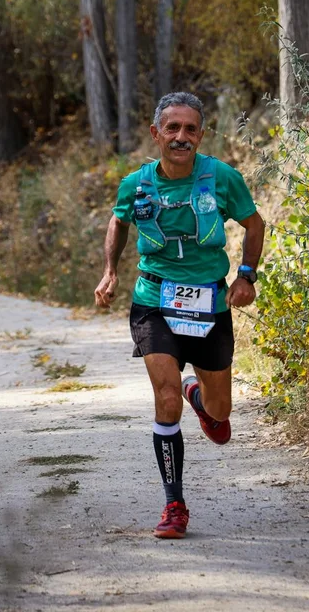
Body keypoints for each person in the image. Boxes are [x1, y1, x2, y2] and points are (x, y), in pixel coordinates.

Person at [94, 92, 265, 539]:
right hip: (154, 299)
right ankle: (175, 505)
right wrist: (110, 271)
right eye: (172, 128)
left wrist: (246, 276)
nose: (181, 137)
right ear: (156, 134)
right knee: (165, 398)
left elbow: (254, 224)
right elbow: (119, 221)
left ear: (201, 135)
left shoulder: (222, 177)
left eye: (190, 129)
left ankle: (199, 398)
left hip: (210, 302)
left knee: (220, 413)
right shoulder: (136, 184)